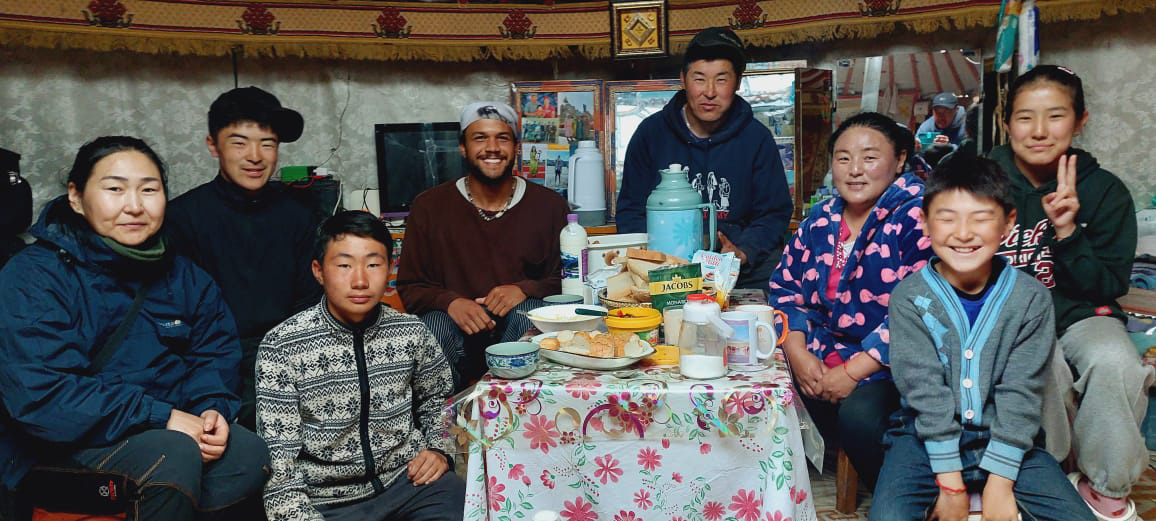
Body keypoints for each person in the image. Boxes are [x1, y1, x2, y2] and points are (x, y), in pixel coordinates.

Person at [0, 136, 268, 520]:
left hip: (163, 432)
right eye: (114, 189)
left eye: (149, 189)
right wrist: (161, 417)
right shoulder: (34, 277)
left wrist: (210, 410)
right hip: (60, 443)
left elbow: (213, 354)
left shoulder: (186, 277)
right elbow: (43, 396)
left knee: (247, 454)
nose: (134, 206)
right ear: (76, 197)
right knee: (171, 458)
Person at [871, 155, 1094, 521]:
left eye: (981, 217)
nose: (963, 233)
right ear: (925, 222)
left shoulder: (1031, 299)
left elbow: (1022, 392)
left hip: (1007, 437)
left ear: (1008, 222)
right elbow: (924, 391)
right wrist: (951, 484)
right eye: (947, 218)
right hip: (922, 438)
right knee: (888, 516)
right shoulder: (910, 298)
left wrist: (1000, 482)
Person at [990, 64, 1151, 521]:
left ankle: (1107, 489)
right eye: (1025, 118)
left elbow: (1108, 285)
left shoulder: (1104, 191)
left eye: (1055, 116)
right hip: (1005, 316)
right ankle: (1048, 476)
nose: (1039, 131)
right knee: (1041, 364)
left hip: (1082, 314)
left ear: (1081, 121)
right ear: (1007, 122)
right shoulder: (981, 180)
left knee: (1116, 360)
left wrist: (1066, 230)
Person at [257, 210, 462, 521]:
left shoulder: (411, 331)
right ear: (318, 271)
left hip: (408, 482)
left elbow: (438, 401)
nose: (360, 280)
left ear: (390, 269)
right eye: (344, 265)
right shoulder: (282, 346)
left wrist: (439, 449)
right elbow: (278, 462)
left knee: (468, 505)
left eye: (373, 264)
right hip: (327, 501)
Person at [768, 112, 933, 489]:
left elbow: (923, 309)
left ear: (900, 160)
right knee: (759, 382)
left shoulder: (920, 217)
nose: (855, 170)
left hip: (892, 362)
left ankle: (901, 493)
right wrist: (797, 352)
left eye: (870, 157)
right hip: (823, 352)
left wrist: (852, 372)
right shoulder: (821, 218)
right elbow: (785, 290)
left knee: (860, 417)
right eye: (843, 158)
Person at [166, 86, 322, 429]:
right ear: (212, 145)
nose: (256, 156)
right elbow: (181, 316)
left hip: (289, 354)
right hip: (214, 362)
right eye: (239, 143)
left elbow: (309, 302)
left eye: (268, 144)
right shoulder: (182, 217)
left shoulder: (299, 212)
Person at [397, 101, 569, 391]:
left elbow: (569, 283)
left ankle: (512, 413)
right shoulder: (429, 206)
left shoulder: (549, 206)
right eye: (480, 138)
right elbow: (411, 286)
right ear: (463, 147)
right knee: (433, 325)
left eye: (502, 138)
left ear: (516, 148)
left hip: (518, 337)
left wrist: (524, 290)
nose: (492, 148)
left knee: (534, 312)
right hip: (456, 338)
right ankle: (443, 424)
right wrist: (450, 302)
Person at [615, 27, 792, 289]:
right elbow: (631, 210)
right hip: (667, 269)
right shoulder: (651, 134)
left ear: (738, 83)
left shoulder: (756, 138)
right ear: (683, 80)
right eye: (699, 79)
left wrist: (743, 251)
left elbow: (774, 213)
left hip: (741, 270)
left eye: (721, 79)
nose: (709, 92)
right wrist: (656, 258)